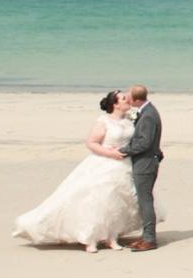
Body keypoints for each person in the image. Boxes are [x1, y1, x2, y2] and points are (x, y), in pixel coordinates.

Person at [12, 90, 150, 253]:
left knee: (117, 203)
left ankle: (112, 237)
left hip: (124, 165)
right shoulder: (104, 121)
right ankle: (90, 239)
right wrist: (110, 153)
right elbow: (91, 143)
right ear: (115, 104)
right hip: (104, 164)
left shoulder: (129, 119)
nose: (128, 100)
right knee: (98, 201)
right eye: (123, 99)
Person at [118, 84, 164, 251]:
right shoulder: (146, 111)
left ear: (137, 99)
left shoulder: (148, 116)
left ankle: (150, 239)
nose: (127, 99)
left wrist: (123, 151)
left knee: (145, 200)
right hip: (146, 161)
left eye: (129, 97)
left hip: (145, 163)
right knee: (143, 199)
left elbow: (144, 143)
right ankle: (145, 236)